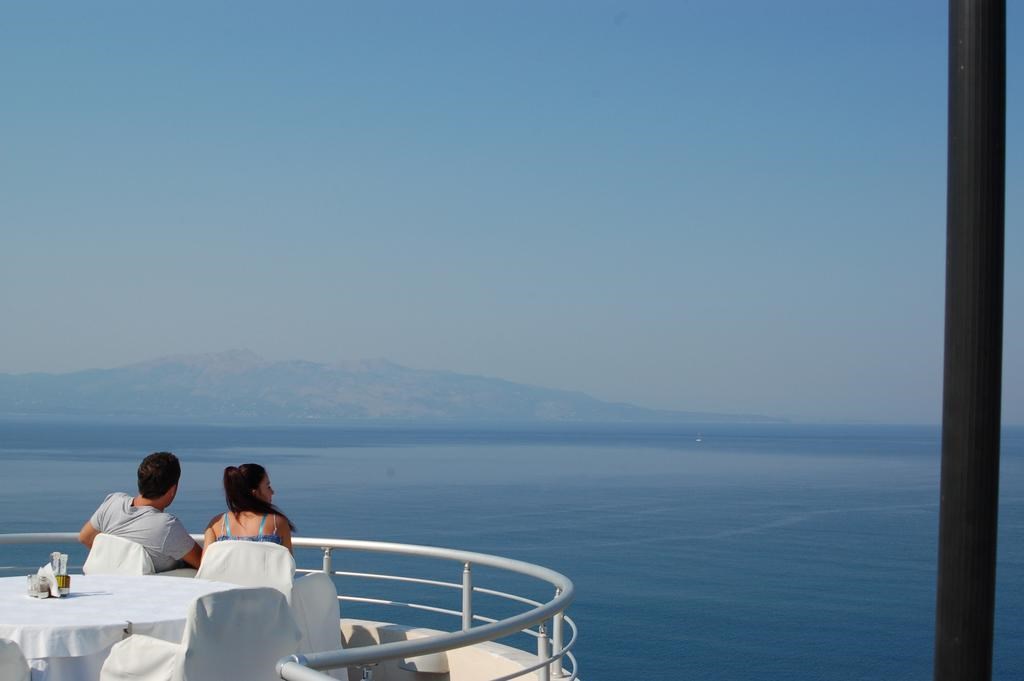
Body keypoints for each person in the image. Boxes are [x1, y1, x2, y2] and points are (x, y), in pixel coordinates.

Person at [79, 451, 202, 571]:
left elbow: (85, 537)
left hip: (108, 583)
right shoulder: (167, 526)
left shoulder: (113, 502)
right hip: (145, 589)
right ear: (172, 490)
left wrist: (114, 565)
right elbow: (202, 563)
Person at [203, 463, 294, 553]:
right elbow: (287, 565)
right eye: (268, 486)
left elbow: (206, 564)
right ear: (254, 493)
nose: (272, 492)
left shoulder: (217, 524)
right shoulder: (277, 523)